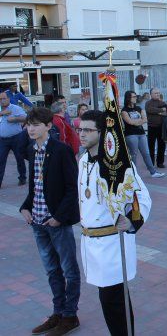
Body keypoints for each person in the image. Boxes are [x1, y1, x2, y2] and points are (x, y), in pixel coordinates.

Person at [77, 110, 152, 336]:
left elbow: (142, 198)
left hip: (111, 242)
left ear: (102, 133)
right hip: (91, 242)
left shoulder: (117, 164)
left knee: (114, 300)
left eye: (88, 130)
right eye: (80, 129)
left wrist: (131, 221)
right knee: (107, 299)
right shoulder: (82, 160)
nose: (82, 134)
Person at [20, 107, 81, 336]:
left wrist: (59, 217)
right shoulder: (31, 150)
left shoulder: (61, 150)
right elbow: (35, 186)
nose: (31, 129)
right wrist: (25, 207)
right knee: (51, 271)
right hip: (37, 222)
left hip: (57, 222)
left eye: (36, 124)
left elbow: (71, 188)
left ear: (48, 126)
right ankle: (57, 312)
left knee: (69, 270)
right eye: (29, 124)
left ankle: (70, 315)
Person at [121, 91, 165, 178]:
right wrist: (138, 122)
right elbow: (129, 122)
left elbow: (145, 119)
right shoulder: (124, 110)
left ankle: (153, 172)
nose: (135, 98)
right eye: (133, 97)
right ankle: (134, 174)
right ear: (128, 98)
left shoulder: (139, 108)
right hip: (131, 135)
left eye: (135, 96)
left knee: (146, 153)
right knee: (133, 154)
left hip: (141, 134)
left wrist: (136, 122)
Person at [0, 91, 27, 187]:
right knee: (1, 160)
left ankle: (22, 178)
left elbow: (26, 118)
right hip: (2, 140)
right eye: (0, 99)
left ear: (8, 98)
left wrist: (15, 119)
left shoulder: (15, 108)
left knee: (19, 158)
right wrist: (2, 113)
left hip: (16, 138)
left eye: (4, 98)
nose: (2, 101)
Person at [145, 88, 167, 169]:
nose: (157, 94)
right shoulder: (148, 103)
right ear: (151, 94)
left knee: (162, 145)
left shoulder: (162, 102)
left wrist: (160, 111)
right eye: (155, 93)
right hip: (152, 127)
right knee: (151, 146)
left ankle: (160, 162)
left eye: (158, 93)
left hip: (161, 127)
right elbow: (150, 110)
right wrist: (161, 110)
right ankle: (151, 163)